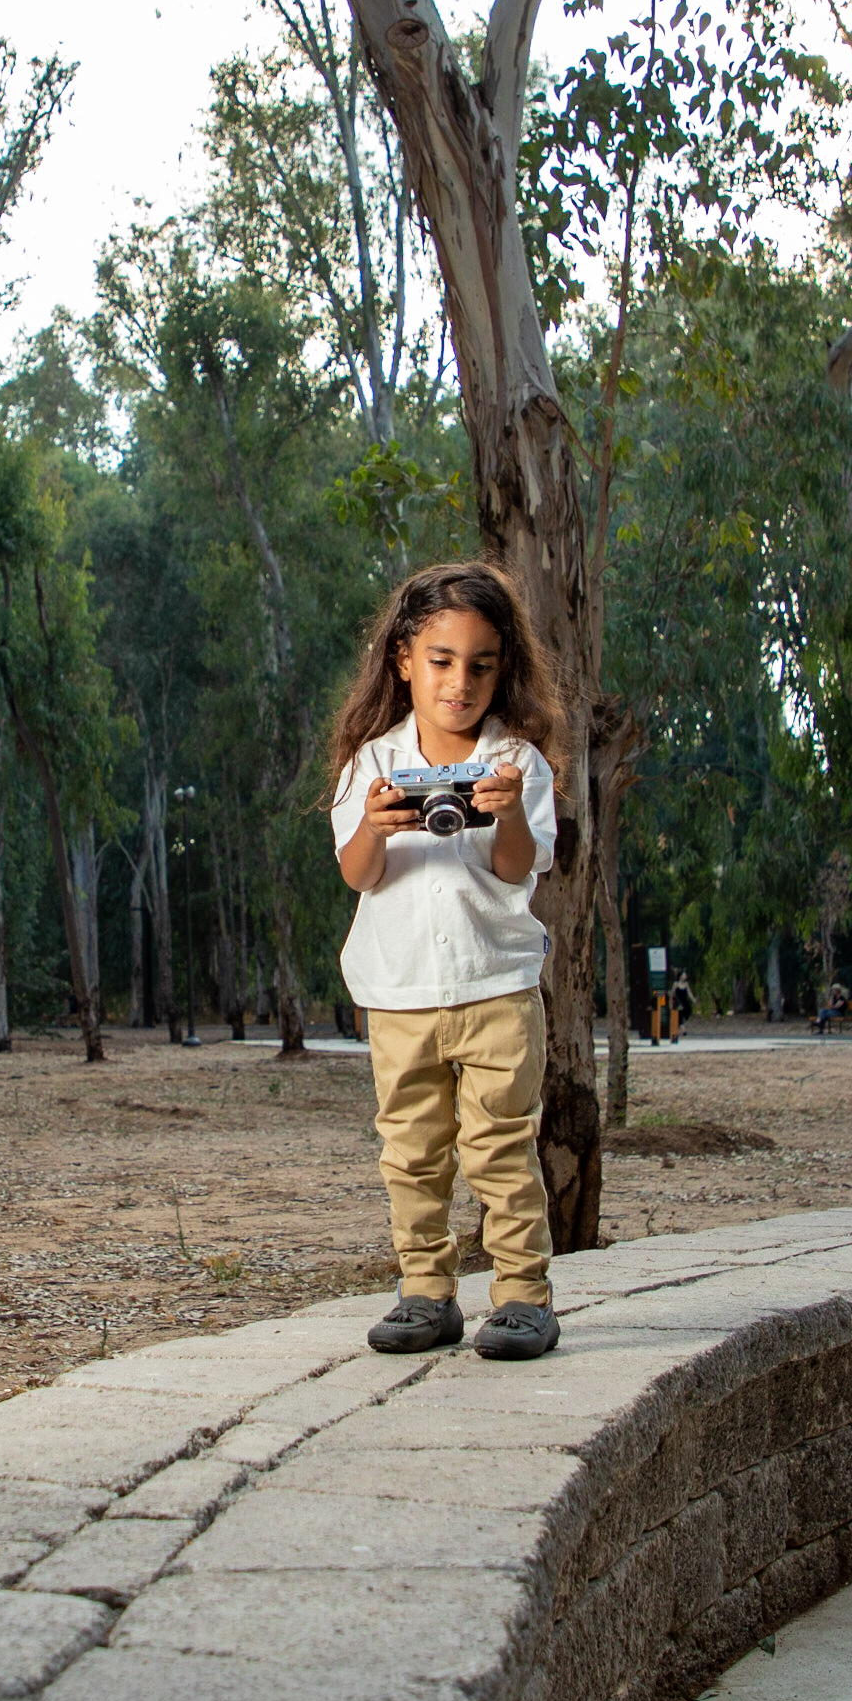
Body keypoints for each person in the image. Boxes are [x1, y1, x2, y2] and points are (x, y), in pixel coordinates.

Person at [328, 562, 563, 1363]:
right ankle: (426, 1290)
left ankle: (524, 1297)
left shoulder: (516, 764)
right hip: (398, 991)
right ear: (402, 658)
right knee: (411, 1149)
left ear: (502, 669)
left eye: (480, 663)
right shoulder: (372, 765)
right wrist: (376, 823)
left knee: (500, 1145)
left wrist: (501, 813)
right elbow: (359, 873)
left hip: (496, 983)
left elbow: (516, 869)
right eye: (440, 659)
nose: (458, 681)